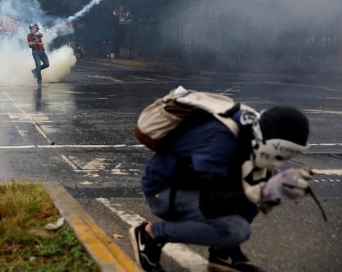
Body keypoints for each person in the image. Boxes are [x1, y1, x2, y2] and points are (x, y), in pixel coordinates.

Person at [132, 103, 311, 272]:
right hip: (164, 190)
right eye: (282, 154)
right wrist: (260, 193)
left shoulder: (256, 129)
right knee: (236, 229)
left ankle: (223, 253)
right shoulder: (219, 138)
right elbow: (210, 203)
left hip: (195, 183)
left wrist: (275, 185)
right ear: (274, 144)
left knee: (264, 181)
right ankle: (150, 234)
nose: (283, 159)